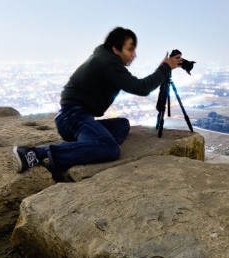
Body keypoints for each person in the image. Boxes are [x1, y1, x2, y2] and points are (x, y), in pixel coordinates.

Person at [12, 26, 183, 181]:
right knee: (111, 150)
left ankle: (87, 147)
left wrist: (163, 67)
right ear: (116, 49)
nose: (134, 54)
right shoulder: (108, 63)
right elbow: (142, 88)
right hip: (73, 118)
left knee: (122, 124)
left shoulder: (104, 56)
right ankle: (36, 153)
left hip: (76, 117)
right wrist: (165, 68)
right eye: (130, 49)